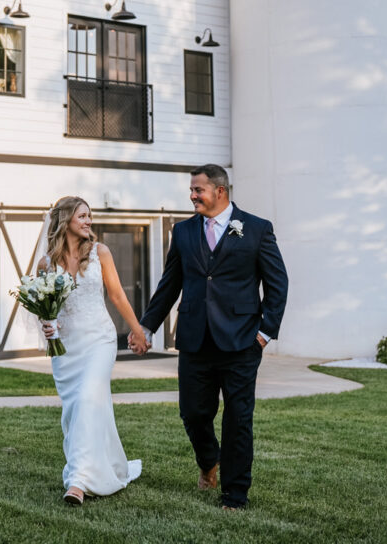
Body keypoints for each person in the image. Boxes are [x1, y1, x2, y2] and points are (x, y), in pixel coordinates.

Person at [133, 164, 288, 510]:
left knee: (238, 418)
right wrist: (146, 326)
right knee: (193, 413)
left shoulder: (257, 229)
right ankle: (208, 460)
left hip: (242, 343)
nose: (192, 196)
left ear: (220, 191)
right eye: (191, 190)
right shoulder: (184, 231)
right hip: (194, 340)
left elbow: (277, 284)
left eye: (197, 190)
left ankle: (235, 494)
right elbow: (170, 284)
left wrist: (264, 334)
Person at [36, 195, 146, 505]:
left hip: (99, 340)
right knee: (78, 410)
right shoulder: (47, 263)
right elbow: (45, 306)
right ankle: (108, 465)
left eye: (89, 216)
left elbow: (117, 295)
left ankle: (78, 481)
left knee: (87, 398)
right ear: (65, 220)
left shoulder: (101, 252)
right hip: (66, 348)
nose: (89, 221)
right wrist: (48, 325)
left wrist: (137, 331)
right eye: (82, 216)